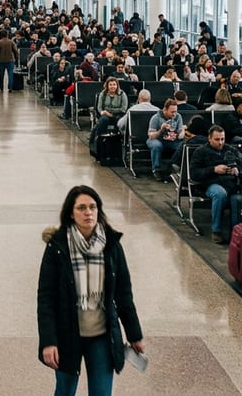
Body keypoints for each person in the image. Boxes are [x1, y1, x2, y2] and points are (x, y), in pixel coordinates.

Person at [37, 185, 144, 396]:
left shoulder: (111, 245)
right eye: (82, 208)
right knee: (65, 391)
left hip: (101, 337)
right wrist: (48, 341)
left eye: (93, 207)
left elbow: (123, 293)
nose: (88, 213)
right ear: (71, 212)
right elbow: (46, 298)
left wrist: (134, 334)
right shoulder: (57, 247)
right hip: (67, 334)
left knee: (102, 393)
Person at [190, 126, 242, 244]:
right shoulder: (200, 152)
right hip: (211, 183)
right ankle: (216, 230)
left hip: (233, 182)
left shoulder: (231, 150)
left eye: (222, 139)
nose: (220, 142)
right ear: (209, 139)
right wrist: (214, 169)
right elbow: (194, 173)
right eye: (217, 139)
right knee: (220, 193)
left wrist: (238, 171)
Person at [146, 99, 184, 180]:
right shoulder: (156, 118)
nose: (174, 114)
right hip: (157, 139)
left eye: (175, 111)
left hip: (171, 140)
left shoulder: (178, 117)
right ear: (165, 110)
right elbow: (151, 136)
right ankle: (156, 170)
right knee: (157, 145)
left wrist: (178, 134)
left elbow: (181, 133)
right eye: (172, 112)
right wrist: (161, 130)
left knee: (182, 145)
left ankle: (175, 168)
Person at [90, 78, 128, 149]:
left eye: (114, 84)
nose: (112, 86)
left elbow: (123, 109)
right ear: (107, 86)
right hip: (105, 115)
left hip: (118, 116)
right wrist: (104, 112)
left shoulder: (122, 94)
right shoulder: (103, 94)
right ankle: (100, 141)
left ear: (117, 85)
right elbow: (99, 107)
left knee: (120, 122)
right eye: (110, 85)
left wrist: (110, 112)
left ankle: (118, 144)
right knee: (103, 120)